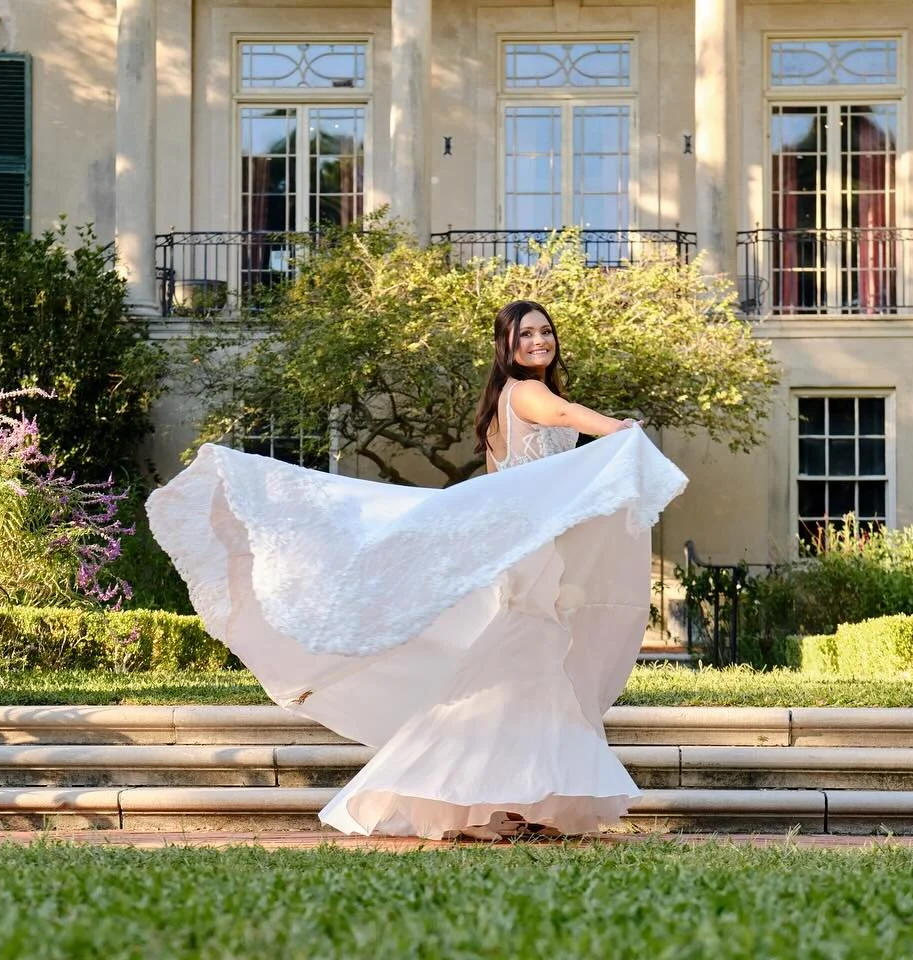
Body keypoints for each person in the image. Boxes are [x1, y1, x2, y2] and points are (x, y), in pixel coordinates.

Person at [147, 299, 687, 840]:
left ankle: (507, 804)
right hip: (532, 550)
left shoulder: (500, 401)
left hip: (524, 544)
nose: (539, 342)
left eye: (546, 331)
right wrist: (620, 428)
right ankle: (495, 797)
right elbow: (567, 419)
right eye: (526, 335)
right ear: (508, 345)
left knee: (523, 662)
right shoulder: (529, 391)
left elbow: (506, 479)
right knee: (531, 656)